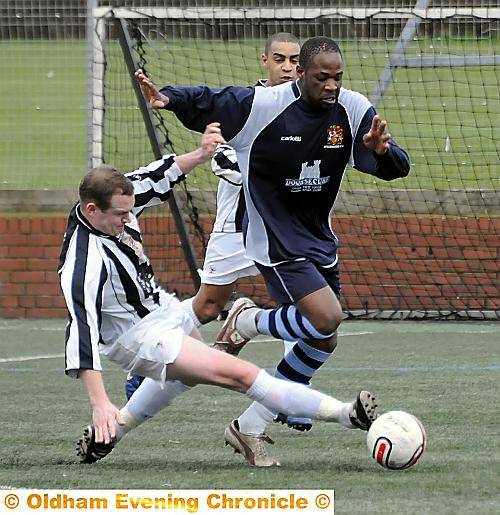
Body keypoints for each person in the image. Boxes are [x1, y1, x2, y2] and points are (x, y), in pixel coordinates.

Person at [134, 36, 410, 466]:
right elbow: (215, 102)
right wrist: (170, 98)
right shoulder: (264, 106)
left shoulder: (353, 109)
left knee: (323, 339)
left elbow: (393, 165)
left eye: (338, 76)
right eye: (322, 77)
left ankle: (249, 426)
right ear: (301, 74)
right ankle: (250, 321)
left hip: (317, 236)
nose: (332, 84)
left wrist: (384, 152)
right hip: (272, 236)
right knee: (327, 317)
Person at [58, 122, 378, 465]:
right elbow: (81, 331)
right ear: (92, 211)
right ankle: (346, 414)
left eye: (129, 210)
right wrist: (100, 402)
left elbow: (157, 176)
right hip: (137, 338)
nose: (128, 217)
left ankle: (114, 432)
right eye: (120, 215)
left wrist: (200, 154)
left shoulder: (118, 201)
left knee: (186, 376)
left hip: (160, 309)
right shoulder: (83, 262)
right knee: (239, 375)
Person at [126, 33, 308, 437]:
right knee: (208, 307)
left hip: (283, 228)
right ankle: (148, 363)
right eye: (279, 58)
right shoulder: (244, 105)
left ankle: (292, 397)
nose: (287, 66)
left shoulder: (308, 107)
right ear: (265, 60)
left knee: (299, 300)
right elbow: (223, 158)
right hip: (237, 227)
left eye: (295, 60)